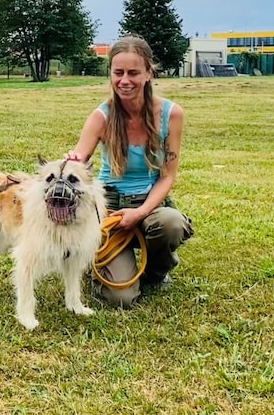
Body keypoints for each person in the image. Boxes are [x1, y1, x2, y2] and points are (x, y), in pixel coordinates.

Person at [65, 35, 194, 308]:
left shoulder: (171, 114)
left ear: (149, 72)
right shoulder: (101, 116)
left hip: (148, 201)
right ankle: (98, 260)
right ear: (110, 74)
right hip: (108, 206)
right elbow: (79, 163)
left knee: (170, 223)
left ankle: (156, 272)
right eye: (118, 72)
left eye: (133, 73)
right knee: (121, 299)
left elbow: (168, 176)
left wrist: (140, 212)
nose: (125, 81)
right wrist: (73, 164)